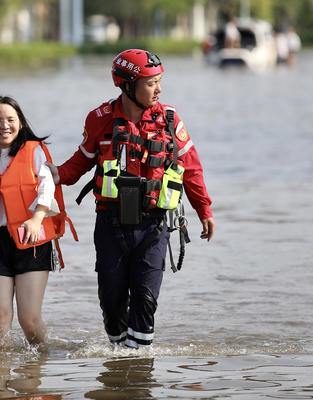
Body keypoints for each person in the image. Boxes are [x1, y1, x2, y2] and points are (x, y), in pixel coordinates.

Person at [47, 49, 215, 348]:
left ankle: (138, 373)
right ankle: (119, 360)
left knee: (145, 299)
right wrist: (55, 174)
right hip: (111, 225)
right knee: (111, 302)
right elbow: (81, 161)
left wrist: (204, 209)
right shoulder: (100, 119)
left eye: (159, 82)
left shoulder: (170, 120)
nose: (159, 89)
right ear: (127, 84)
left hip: (154, 226)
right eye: (152, 83)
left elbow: (191, 168)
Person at [0, 96, 76, 346]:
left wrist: (36, 219)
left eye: (10, 120)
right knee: (0, 323)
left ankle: (39, 367)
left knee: (29, 321)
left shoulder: (33, 151)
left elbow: (46, 188)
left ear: (20, 123)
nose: (4, 126)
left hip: (31, 241)